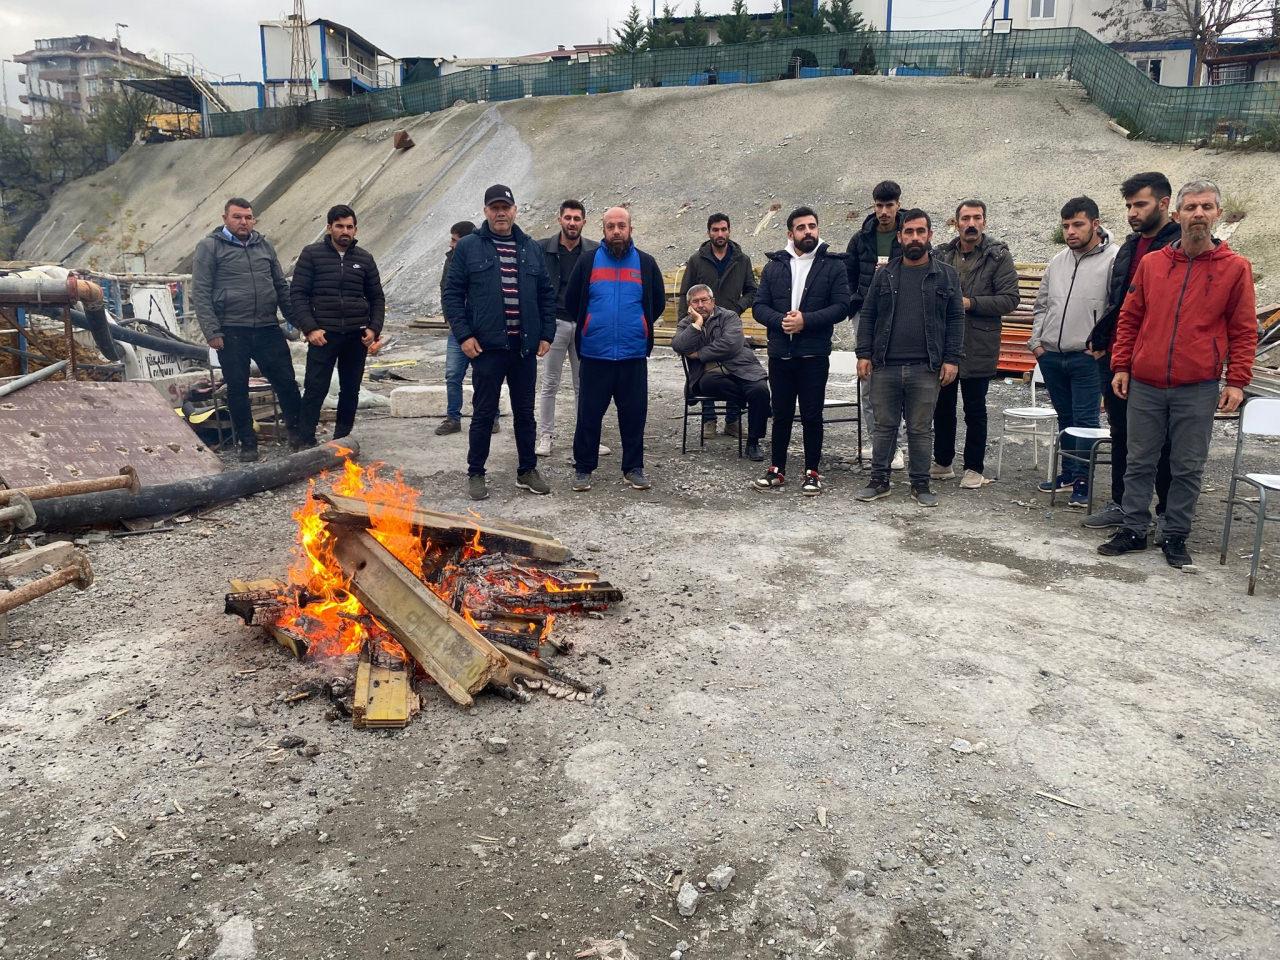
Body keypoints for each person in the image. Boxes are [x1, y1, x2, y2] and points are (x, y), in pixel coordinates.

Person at [1099, 179, 1256, 568]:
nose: (1198, 214)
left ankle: (1175, 534)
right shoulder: (1154, 264)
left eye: (1206, 207)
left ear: (1218, 213)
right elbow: (1131, 317)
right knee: (1139, 459)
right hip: (1146, 382)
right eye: (1191, 208)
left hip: (1196, 385)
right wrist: (1121, 364)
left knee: (1187, 465)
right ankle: (1134, 528)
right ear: (1177, 214)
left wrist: (1237, 380)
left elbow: (1243, 328)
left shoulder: (1235, 269)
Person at [442, 184, 556, 501]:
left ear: (515, 210)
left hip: (523, 350)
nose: (500, 212)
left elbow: (546, 294)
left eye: (505, 207)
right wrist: (464, 335)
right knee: (483, 413)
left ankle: (527, 470)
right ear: (485, 212)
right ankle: (476, 473)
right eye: (494, 207)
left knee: (525, 413)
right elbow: (452, 295)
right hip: (487, 350)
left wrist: (546, 334)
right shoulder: (468, 247)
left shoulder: (530, 248)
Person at [1082, 172, 1180, 532]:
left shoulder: (1180, 246)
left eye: (1141, 204)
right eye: (1128, 206)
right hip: (1120, 357)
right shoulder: (1128, 247)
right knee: (1121, 431)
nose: (1133, 213)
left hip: (1160, 359)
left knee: (1165, 440)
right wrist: (1102, 340)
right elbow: (1119, 302)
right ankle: (1122, 505)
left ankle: (1168, 511)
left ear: (1165, 204)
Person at [854, 209, 965, 507]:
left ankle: (920, 484)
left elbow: (955, 320)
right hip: (885, 365)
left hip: (925, 367)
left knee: (920, 428)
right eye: (908, 232)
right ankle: (879, 480)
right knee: (884, 425)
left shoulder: (946, 275)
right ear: (900, 237)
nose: (914, 237)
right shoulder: (884, 274)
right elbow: (868, 316)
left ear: (929, 235)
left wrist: (952, 358)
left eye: (920, 232)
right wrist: (863, 353)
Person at [192, 197, 303, 462]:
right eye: (237, 217)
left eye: (248, 217)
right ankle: (248, 444)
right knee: (237, 389)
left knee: (287, 382)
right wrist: (212, 332)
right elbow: (201, 292)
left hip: (267, 327)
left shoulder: (263, 245)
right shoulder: (210, 247)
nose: (243, 222)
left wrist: (299, 322)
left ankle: (299, 434)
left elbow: (280, 286)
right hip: (231, 330)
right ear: (225, 219)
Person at [564, 205, 666, 493]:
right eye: (611, 226)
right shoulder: (587, 262)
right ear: (603, 230)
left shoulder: (646, 263)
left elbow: (656, 302)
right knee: (588, 415)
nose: (617, 231)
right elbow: (573, 301)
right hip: (595, 355)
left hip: (633, 355)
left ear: (630, 228)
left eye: (622, 225)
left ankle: (633, 468)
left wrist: (639, 326)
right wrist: (592, 324)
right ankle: (584, 468)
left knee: (634, 416)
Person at [751, 206, 851, 496]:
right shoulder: (774, 266)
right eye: (801, 227)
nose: (808, 231)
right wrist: (780, 322)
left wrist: (806, 321)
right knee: (780, 413)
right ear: (790, 233)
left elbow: (842, 306)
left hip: (813, 354)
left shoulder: (833, 266)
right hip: (780, 353)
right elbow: (759, 306)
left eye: (812, 226)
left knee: (811, 414)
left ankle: (812, 471)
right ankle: (777, 469)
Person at [1027, 196, 1118, 507]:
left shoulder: (1114, 260)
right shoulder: (1057, 262)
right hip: (1052, 355)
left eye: (1077, 224)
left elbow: (1115, 310)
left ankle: (1083, 481)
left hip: (1086, 357)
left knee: (1086, 420)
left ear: (1095, 223)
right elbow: (1041, 305)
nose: (1071, 231)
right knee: (1066, 418)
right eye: (1065, 226)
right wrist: (1037, 344)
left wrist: (1101, 348)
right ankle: (1068, 474)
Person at [931, 199, 1020, 488]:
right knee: (942, 407)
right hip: (945, 343)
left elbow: (1010, 299)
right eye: (965, 218)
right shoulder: (941, 254)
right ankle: (943, 462)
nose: (971, 223)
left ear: (985, 221)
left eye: (977, 218)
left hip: (980, 342)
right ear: (955, 222)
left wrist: (971, 303)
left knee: (975, 408)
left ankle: (973, 468)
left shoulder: (998, 256)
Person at [291, 204, 385, 447]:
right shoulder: (311, 254)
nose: (345, 231)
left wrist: (373, 329)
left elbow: (377, 297)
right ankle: (305, 439)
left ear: (355, 229)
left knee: (350, 389)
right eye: (340, 226)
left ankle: (341, 440)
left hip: (356, 337)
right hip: (324, 335)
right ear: (329, 227)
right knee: (315, 388)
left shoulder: (364, 258)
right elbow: (298, 294)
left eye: (350, 227)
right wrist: (310, 328)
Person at [534, 201, 606, 457]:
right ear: (560, 219)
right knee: (550, 383)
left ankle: (587, 437)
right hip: (555, 323)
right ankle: (545, 436)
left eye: (577, 218)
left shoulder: (594, 252)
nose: (572, 222)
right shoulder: (542, 249)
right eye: (568, 218)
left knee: (583, 384)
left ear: (584, 222)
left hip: (583, 325)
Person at [677, 213, 759, 440]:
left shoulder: (741, 260)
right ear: (709, 232)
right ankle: (709, 420)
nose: (720, 234)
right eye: (715, 230)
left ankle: (733, 421)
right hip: (702, 325)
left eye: (723, 229)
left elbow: (752, 290)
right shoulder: (697, 260)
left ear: (729, 231)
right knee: (705, 368)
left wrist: (737, 308)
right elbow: (686, 292)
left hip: (729, 325)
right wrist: (689, 321)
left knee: (734, 368)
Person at [670, 284, 770, 462]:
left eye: (704, 300)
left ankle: (753, 443)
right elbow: (679, 346)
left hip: (742, 368)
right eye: (696, 301)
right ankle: (757, 404)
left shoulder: (729, 316)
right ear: (690, 305)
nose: (701, 305)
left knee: (760, 390)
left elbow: (731, 344)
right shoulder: (686, 323)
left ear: (713, 301)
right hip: (709, 375)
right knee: (710, 383)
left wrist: (700, 354)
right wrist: (697, 324)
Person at [846, 180, 906, 469]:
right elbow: (848, 276)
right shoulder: (860, 239)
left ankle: (899, 445)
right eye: (879, 205)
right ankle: (879, 443)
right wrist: (854, 304)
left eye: (889, 205)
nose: (884, 211)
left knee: (901, 381)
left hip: (901, 317)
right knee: (868, 381)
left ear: (898, 204)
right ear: (873, 205)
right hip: (866, 317)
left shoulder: (910, 234)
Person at [436, 221, 498, 437]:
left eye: (454, 240)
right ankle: (453, 418)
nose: (451, 244)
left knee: (487, 374)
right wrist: (453, 322)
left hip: (483, 329)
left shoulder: (484, 257)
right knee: (453, 374)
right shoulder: (450, 260)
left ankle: (492, 417)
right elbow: (446, 292)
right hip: (457, 330)